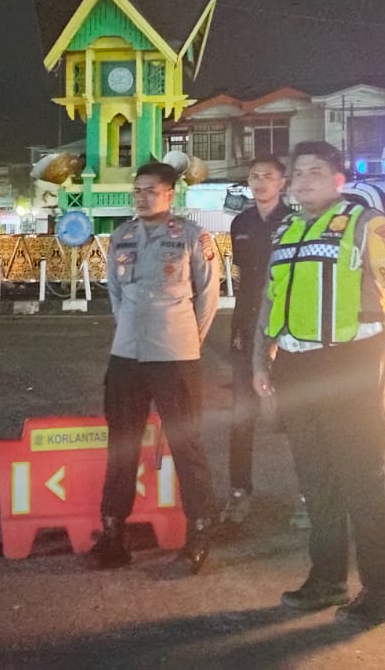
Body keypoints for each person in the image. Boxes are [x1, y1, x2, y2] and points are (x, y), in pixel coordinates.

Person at [252, 140, 385, 627]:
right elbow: (270, 298)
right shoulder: (286, 229)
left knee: (362, 478)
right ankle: (326, 580)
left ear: (338, 180)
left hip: (354, 364)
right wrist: (262, 359)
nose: (303, 181)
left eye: (315, 172)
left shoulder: (369, 225)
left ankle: (380, 592)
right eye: (298, 173)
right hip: (296, 364)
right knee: (316, 479)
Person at [89, 160, 221, 574]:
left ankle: (199, 532)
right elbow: (115, 293)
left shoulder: (193, 237)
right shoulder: (121, 236)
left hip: (175, 355)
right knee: (121, 444)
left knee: (186, 444)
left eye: (151, 190)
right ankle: (113, 533)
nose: (142, 197)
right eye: (137, 190)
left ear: (170, 194)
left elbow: (208, 296)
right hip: (127, 354)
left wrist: (187, 341)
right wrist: (131, 329)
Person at [221, 154, 298, 528]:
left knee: (298, 415)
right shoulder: (241, 223)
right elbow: (247, 280)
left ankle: (308, 495)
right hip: (247, 326)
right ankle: (239, 491)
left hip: (290, 329)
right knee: (242, 415)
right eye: (254, 176)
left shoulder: (297, 223)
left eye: (268, 176)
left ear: (282, 182)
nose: (260, 182)